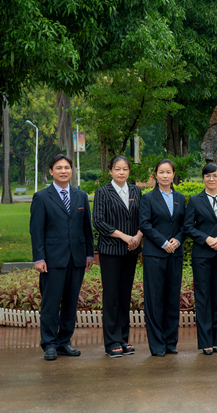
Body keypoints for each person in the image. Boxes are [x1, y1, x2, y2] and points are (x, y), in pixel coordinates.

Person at [30, 154, 94, 361]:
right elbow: (37, 231)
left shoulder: (81, 196)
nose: (63, 171)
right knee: (51, 303)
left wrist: (88, 254)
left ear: (72, 171)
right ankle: (49, 343)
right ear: (51, 171)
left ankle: (64, 341)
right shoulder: (42, 197)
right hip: (52, 260)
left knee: (70, 303)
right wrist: (39, 258)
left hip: (76, 259)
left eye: (67, 167)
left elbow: (87, 228)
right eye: (59, 168)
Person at [92, 155, 142, 358]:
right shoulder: (103, 192)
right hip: (111, 251)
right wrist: (124, 236)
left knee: (124, 296)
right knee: (111, 296)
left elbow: (143, 218)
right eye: (117, 169)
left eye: (125, 169)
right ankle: (111, 342)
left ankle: (123, 338)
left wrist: (138, 237)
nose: (122, 172)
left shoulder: (137, 191)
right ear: (111, 171)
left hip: (131, 251)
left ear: (129, 171)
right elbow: (98, 221)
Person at [184, 163, 217, 355]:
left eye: (215, 175)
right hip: (202, 255)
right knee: (203, 297)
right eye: (207, 176)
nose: (211, 179)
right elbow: (188, 227)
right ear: (203, 178)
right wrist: (206, 239)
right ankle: (205, 341)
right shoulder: (195, 200)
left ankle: (215, 340)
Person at [139, 159, 186, 356]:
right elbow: (145, 224)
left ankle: (170, 341)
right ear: (156, 175)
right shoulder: (148, 198)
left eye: (168, 172)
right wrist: (164, 242)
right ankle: (157, 344)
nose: (165, 176)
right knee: (155, 298)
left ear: (173, 175)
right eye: (161, 172)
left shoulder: (181, 198)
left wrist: (177, 240)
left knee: (172, 298)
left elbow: (186, 225)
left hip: (175, 253)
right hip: (155, 254)